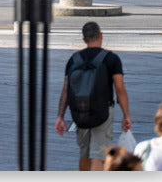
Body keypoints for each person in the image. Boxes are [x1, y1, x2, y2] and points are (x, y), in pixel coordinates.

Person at [54, 21, 132, 171]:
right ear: (101, 36)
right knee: (98, 156)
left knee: (85, 154)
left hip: (80, 112)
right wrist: (126, 115)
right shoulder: (111, 59)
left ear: (84, 39)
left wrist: (60, 116)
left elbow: (65, 89)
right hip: (103, 112)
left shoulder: (74, 59)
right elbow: (120, 88)